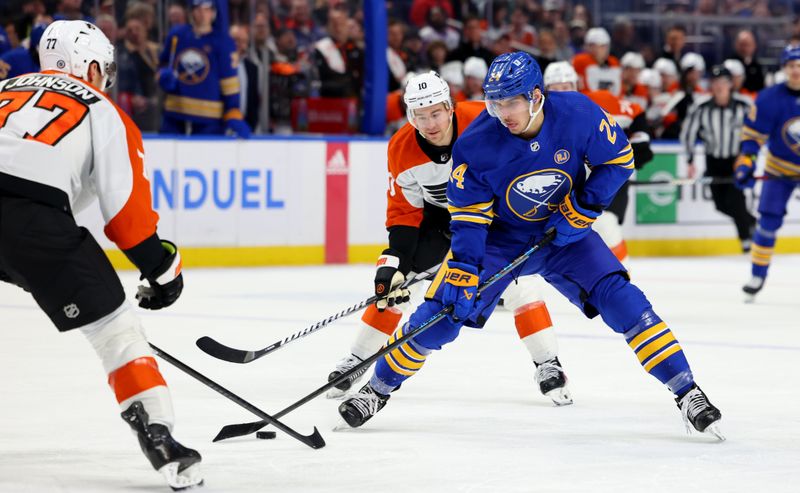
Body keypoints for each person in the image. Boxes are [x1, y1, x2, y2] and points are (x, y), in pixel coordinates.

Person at [338, 52, 723, 440]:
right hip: (499, 242)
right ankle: (377, 389)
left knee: (625, 302)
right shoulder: (475, 145)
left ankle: (687, 391)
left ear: (536, 95)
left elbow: (619, 160)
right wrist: (466, 265)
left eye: (511, 101)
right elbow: (469, 216)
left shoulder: (578, 113)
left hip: (564, 235)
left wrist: (585, 206)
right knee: (441, 312)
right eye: (495, 102)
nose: (502, 112)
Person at [0, 20, 202, 489]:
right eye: (102, 67)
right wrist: (160, 268)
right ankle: (159, 433)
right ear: (89, 66)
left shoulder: (5, 87)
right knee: (115, 330)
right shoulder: (103, 108)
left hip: (24, 221)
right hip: (31, 221)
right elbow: (127, 215)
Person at [327, 71, 573, 406]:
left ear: (451, 107)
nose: (429, 123)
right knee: (397, 289)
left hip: (492, 220)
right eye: (420, 115)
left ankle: (548, 364)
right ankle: (357, 361)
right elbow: (403, 212)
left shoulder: (485, 119)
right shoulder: (401, 148)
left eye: (436, 112)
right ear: (409, 116)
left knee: (519, 287)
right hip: (438, 221)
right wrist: (395, 260)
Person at [543, 61, 653, 267]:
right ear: (545, 92)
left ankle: (621, 277)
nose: (562, 95)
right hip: (564, 189)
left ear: (576, 86)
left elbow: (635, 112)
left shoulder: (596, 102)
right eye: (555, 89)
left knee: (607, 225)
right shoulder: (536, 118)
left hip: (602, 183)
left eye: (566, 88)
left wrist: (638, 144)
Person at [735, 45, 800, 301]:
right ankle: (757, 274)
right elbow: (752, 140)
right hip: (779, 170)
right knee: (768, 221)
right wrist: (746, 165)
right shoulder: (768, 99)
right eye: (792, 65)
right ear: (784, 68)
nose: (796, 70)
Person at [681, 65, 754, 252]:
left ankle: (746, 239)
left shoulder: (743, 106)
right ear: (711, 85)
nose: (720, 87)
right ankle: (752, 221)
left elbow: (753, 133)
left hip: (735, 160)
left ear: (731, 84)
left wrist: (748, 157)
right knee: (720, 204)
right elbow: (688, 133)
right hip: (713, 160)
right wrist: (690, 160)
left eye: (723, 82)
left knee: (736, 199)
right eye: (715, 83)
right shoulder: (701, 106)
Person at [158, 0, 251, 137]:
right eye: (198, 9)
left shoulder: (223, 42)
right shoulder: (177, 35)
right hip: (175, 113)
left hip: (210, 118)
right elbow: (163, 64)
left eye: (207, 9)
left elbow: (229, 81)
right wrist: (163, 76)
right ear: (191, 11)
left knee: (206, 157)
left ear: (213, 12)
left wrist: (233, 110)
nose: (202, 14)